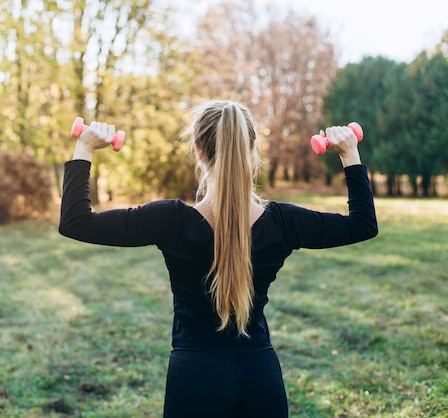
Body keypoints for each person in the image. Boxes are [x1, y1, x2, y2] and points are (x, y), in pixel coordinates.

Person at [59, 100, 378, 417]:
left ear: (198, 150)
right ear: (251, 151)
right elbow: (362, 224)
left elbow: (76, 221)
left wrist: (85, 146)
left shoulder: (169, 220)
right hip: (260, 379)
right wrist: (350, 154)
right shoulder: (283, 223)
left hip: (195, 380)